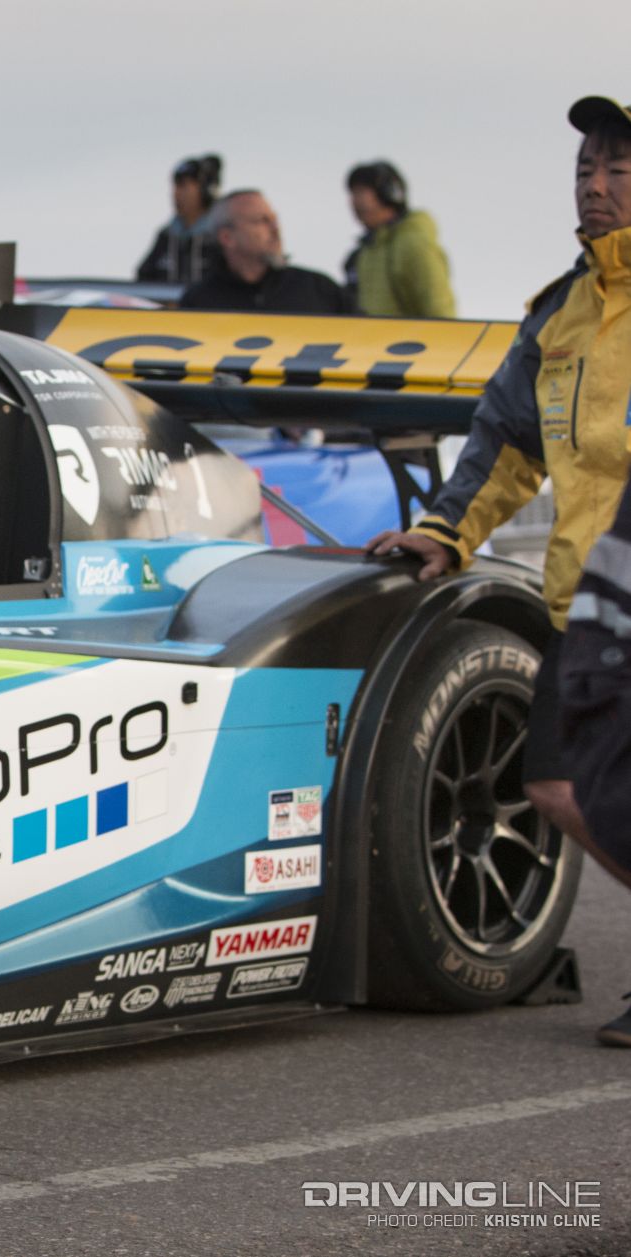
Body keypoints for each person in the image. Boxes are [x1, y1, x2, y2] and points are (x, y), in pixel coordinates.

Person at [371, 97, 631, 1046]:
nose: (595, 187)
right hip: (586, 606)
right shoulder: (560, 313)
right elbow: (505, 445)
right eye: (584, 171)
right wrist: (444, 530)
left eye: (617, 171)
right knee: (561, 792)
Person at [180, 190, 352, 313]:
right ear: (227, 237)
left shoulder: (319, 289)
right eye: (262, 221)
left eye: (274, 219)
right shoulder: (199, 302)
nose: (275, 228)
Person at [342, 160, 456, 318]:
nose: (355, 201)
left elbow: (437, 305)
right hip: (370, 341)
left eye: (361, 192)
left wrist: (445, 341)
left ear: (388, 193)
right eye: (352, 194)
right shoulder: (362, 254)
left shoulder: (412, 242)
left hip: (411, 341)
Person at [135, 154, 220, 286]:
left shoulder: (224, 237)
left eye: (183, 185)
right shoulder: (166, 236)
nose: (175, 193)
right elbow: (143, 280)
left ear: (206, 189)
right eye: (175, 186)